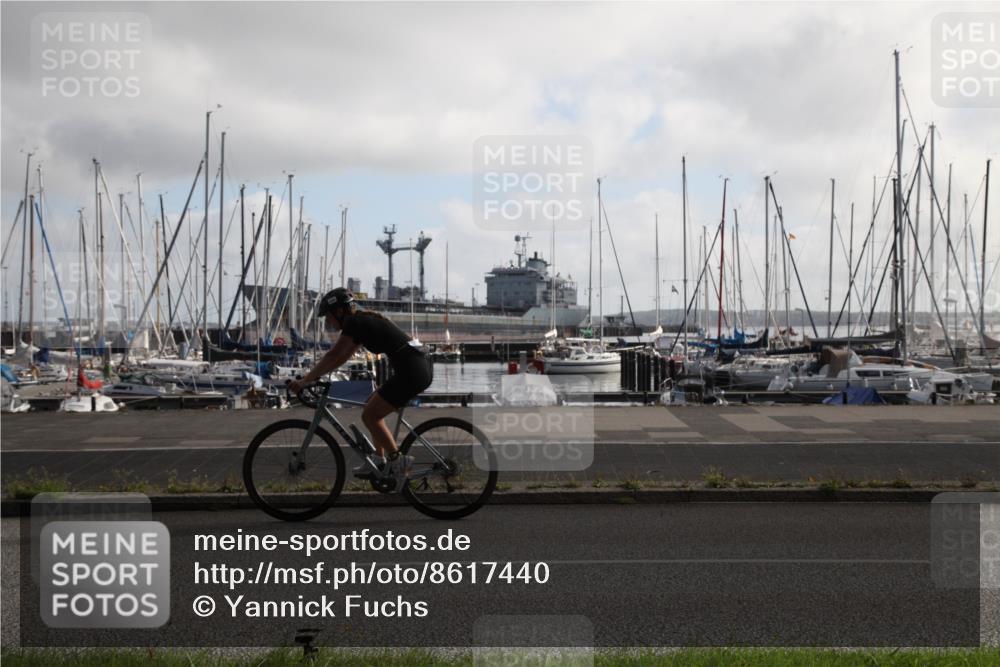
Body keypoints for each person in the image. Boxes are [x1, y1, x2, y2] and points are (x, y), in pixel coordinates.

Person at [288, 288, 433, 483]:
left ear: (339, 312)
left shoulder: (354, 323)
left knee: (370, 415)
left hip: (412, 371)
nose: (328, 322)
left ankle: (399, 462)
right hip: (414, 367)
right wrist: (314, 377)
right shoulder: (360, 323)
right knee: (370, 404)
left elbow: (332, 355)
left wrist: (305, 380)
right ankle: (379, 460)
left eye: (328, 317)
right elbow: (341, 358)